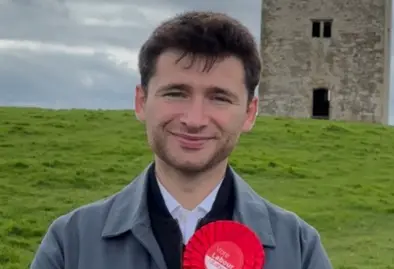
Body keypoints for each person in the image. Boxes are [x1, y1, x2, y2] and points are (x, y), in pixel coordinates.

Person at [30, 11, 334, 269]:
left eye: (219, 97)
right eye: (176, 93)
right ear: (141, 101)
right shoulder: (71, 244)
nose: (194, 119)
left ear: (250, 113)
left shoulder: (299, 249)